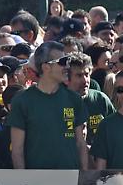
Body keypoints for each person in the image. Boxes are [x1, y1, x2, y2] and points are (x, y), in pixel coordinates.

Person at [8, 41, 89, 170]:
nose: (67, 67)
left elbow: (80, 143)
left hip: (70, 180)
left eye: (68, 61)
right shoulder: (22, 101)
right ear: (46, 67)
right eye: (62, 62)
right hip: (38, 182)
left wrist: (84, 177)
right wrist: (24, 182)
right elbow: (17, 149)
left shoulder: (74, 99)